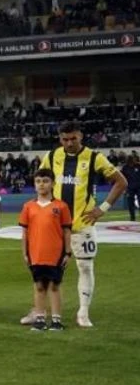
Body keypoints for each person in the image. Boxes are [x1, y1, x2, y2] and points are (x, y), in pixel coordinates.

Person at [31, 122, 128, 328]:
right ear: (60, 139)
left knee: (85, 266)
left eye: (73, 138)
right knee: (45, 271)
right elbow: (40, 182)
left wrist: (103, 208)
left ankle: (83, 312)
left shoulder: (94, 157)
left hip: (82, 224)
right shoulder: (51, 156)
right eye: (65, 139)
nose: (69, 143)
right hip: (54, 226)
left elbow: (121, 182)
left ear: (81, 136)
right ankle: (38, 312)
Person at [20, 168, 73, 331]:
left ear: (52, 184)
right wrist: (25, 253)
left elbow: (66, 230)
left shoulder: (61, 206)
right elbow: (25, 232)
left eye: (45, 181)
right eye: (38, 181)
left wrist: (68, 252)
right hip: (36, 253)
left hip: (55, 253)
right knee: (39, 286)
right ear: (34, 184)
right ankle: (40, 319)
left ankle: (56, 320)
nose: (41, 184)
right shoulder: (28, 206)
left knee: (54, 286)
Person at [123, 154, 140, 222]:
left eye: (131, 160)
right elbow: (123, 179)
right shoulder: (125, 168)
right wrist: (124, 189)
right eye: (129, 160)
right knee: (130, 203)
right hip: (130, 188)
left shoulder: (138, 165)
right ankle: (132, 218)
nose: (130, 162)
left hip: (139, 187)